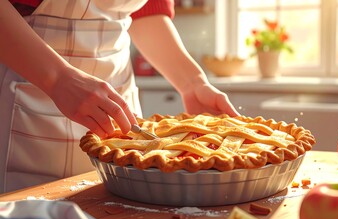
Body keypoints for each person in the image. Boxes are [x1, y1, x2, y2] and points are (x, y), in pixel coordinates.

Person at [0, 0, 239, 193]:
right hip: (28, 81)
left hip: (118, 93)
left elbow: (146, 12)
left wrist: (192, 82)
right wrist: (56, 78)